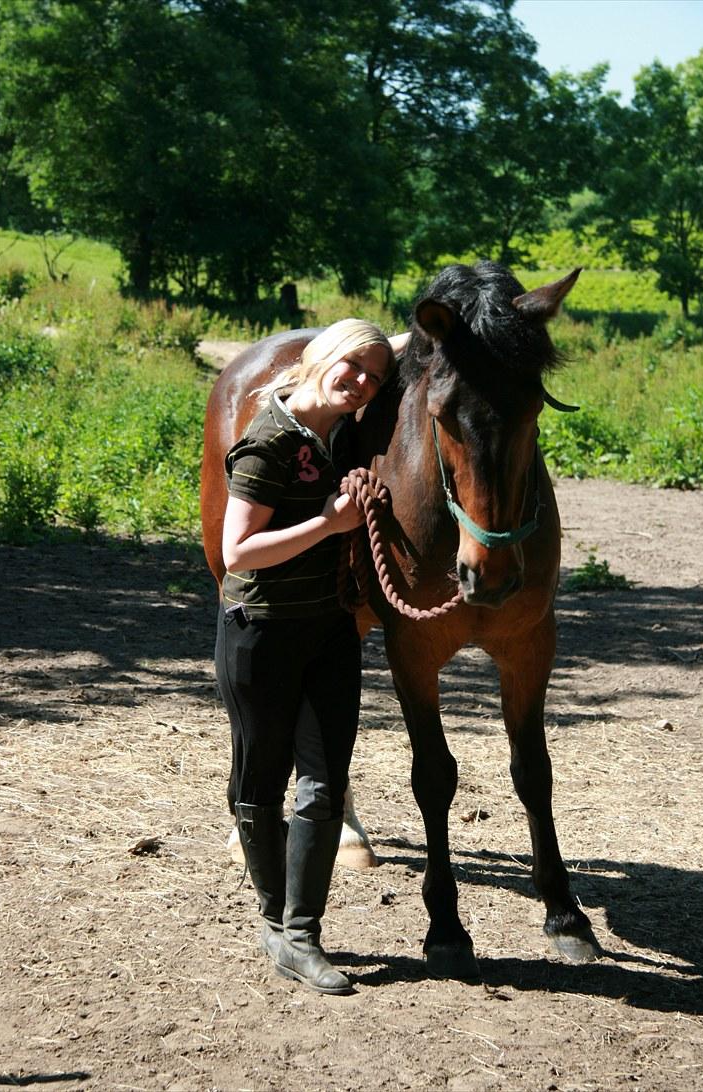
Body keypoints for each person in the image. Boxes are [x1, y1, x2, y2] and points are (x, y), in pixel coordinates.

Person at [215, 319, 408, 996]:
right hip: (260, 631)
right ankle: (274, 922)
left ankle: (302, 934)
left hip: (327, 629)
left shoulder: (347, 437)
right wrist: (330, 522)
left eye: (373, 376)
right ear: (322, 356)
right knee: (261, 782)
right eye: (352, 365)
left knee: (326, 782)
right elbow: (238, 553)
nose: (359, 381)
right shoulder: (268, 440)